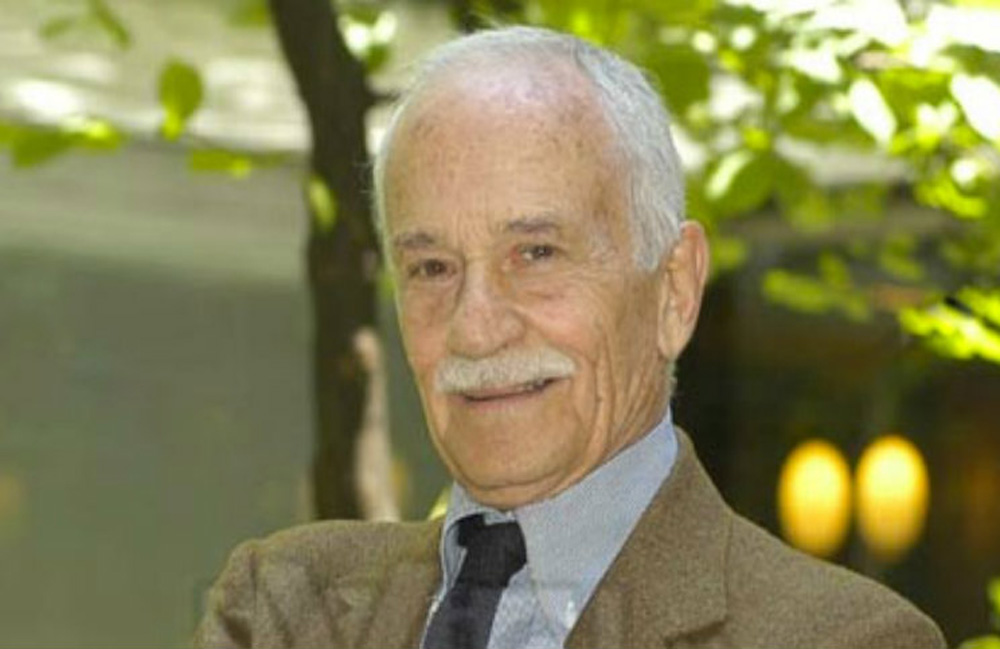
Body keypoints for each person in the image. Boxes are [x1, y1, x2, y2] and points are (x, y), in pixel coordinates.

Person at [194, 26, 946, 649]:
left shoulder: (842, 638)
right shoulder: (283, 607)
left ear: (674, 290)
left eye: (536, 254)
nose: (475, 327)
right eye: (432, 268)